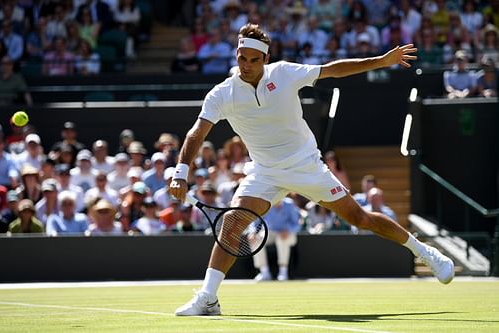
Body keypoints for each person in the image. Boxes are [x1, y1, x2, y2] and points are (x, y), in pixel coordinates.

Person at [170, 23, 454, 316]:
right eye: (242, 58)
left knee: (360, 217)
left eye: (254, 60)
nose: (247, 65)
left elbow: (333, 69)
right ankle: (208, 298)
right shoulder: (222, 94)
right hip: (264, 172)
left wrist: (381, 61)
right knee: (231, 226)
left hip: (306, 165)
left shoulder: (284, 73)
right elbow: (196, 134)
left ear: (265, 59)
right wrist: (180, 172)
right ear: (237, 55)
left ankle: (425, 252)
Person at [252, 197, 301, 282]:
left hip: (287, 233)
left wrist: (288, 230)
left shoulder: (289, 204)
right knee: (255, 240)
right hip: (270, 233)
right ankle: (264, 273)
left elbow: (296, 224)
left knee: (281, 240)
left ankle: (283, 272)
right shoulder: (266, 204)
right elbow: (256, 222)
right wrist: (252, 232)